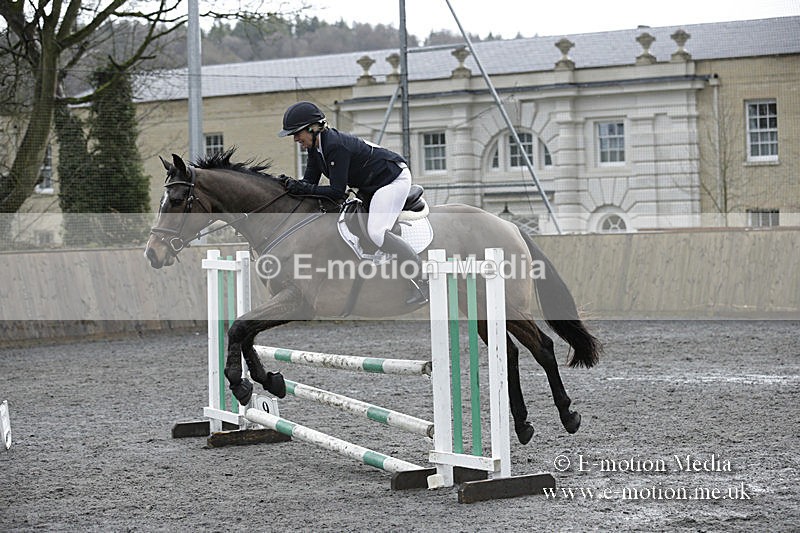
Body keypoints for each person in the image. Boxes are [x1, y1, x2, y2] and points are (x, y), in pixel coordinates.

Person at [278, 101, 428, 305]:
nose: (295, 138)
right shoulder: (316, 148)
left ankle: (420, 280)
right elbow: (309, 184)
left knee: (376, 233)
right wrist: (287, 187)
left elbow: (336, 191)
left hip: (392, 180)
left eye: (297, 133)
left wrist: (301, 187)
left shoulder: (335, 145)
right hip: (371, 184)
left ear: (313, 128)